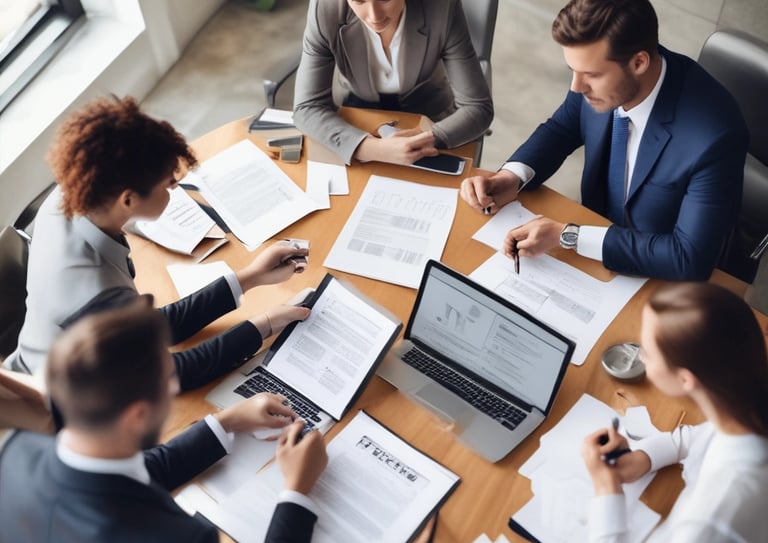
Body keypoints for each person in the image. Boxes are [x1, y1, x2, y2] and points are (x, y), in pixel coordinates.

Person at [0, 302, 442, 543]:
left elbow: (127, 475)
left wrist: (226, 422)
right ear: (138, 414)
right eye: (167, 383)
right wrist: (296, 491)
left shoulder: (19, 457)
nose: (173, 389)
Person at [5, 96, 310, 392]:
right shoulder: (96, 291)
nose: (173, 191)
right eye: (168, 185)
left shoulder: (67, 196)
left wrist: (252, 276)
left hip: (41, 364)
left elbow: (149, 326)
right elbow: (176, 374)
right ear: (128, 199)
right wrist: (267, 323)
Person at [460, 0, 749, 281]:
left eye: (591, 75)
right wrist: (512, 176)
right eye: (573, 70)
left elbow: (689, 257)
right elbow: (562, 127)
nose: (577, 86)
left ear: (639, 62)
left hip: (661, 273)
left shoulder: (716, 136)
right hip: (599, 247)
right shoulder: (600, 80)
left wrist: (568, 235)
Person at [581, 283, 768, 543]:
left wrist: (605, 491)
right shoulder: (744, 403)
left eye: (648, 353)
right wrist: (645, 456)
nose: (639, 356)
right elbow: (701, 436)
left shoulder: (717, 514)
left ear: (685, 380)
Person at [293, 0, 493, 165]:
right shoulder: (324, 8)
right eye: (359, 0)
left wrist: (430, 138)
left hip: (429, 114)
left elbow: (478, 107)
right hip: (360, 113)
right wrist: (370, 148)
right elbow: (307, 107)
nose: (374, 17)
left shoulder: (442, 7)